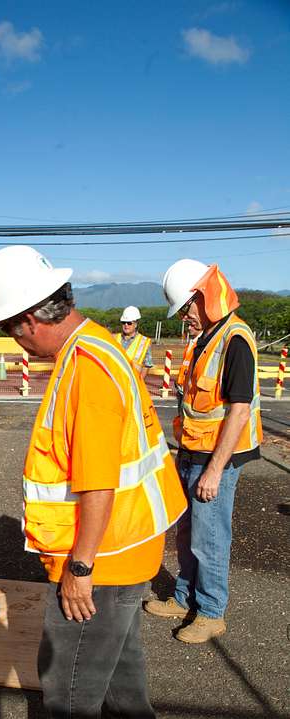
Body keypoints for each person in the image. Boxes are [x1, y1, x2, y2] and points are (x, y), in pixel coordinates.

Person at [0, 246, 186, 719]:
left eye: (10, 329)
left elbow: (98, 483)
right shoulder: (97, 348)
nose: (13, 340)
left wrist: (79, 567)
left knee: (68, 667)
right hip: (131, 542)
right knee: (119, 652)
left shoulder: (87, 371)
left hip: (106, 551)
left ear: (29, 319)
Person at [144, 259, 262, 643]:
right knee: (188, 531)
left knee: (209, 536)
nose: (184, 318)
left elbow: (239, 411)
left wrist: (214, 470)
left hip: (218, 459)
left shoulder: (235, 340)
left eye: (185, 308)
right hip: (194, 451)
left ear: (202, 297)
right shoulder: (205, 339)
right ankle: (184, 597)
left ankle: (211, 611)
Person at [114, 305, 153, 379]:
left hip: (132, 383)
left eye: (129, 323)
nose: (126, 325)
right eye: (123, 322)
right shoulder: (115, 338)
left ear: (135, 324)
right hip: (115, 382)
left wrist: (139, 384)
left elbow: (147, 365)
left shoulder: (144, 342)